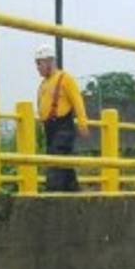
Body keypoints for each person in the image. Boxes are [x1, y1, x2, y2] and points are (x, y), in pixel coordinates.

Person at [34, 44, 90, 192]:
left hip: (63, 127)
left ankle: (52, 194)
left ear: (49, 61)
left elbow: (77, 101)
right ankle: (73, 193)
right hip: (49, 128)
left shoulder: (65, 78)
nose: (37, 67)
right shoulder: (43, 84)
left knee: (56, 160)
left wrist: (82, 123)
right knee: (65, 166)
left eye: (39, 63)